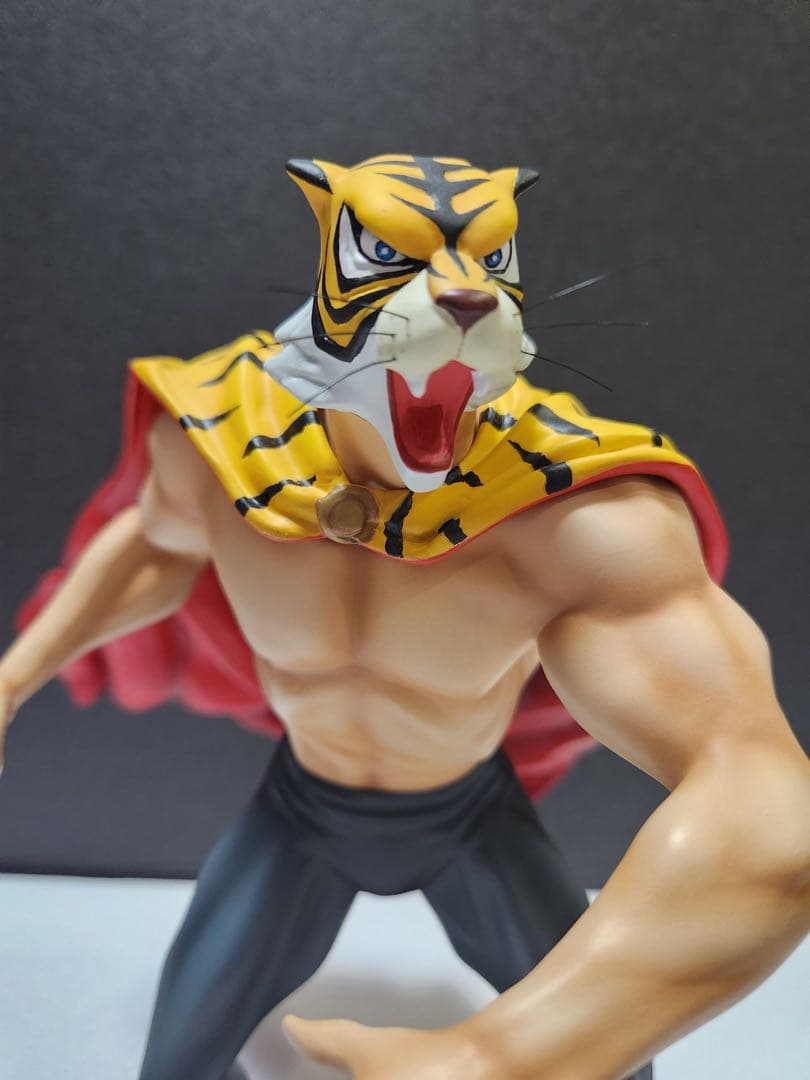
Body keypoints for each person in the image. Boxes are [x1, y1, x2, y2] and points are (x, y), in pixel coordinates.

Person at [1, 155, 808, 1080]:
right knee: (176, 1064)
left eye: (490, 260)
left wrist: (495, 1055)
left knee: (616, 1062)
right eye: (394, 254)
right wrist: (13, 678)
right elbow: (153, 544)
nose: (461, 295)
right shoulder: (228, 446)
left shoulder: (567, 518)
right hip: (300, 813)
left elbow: (767, 805)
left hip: (471, 818)